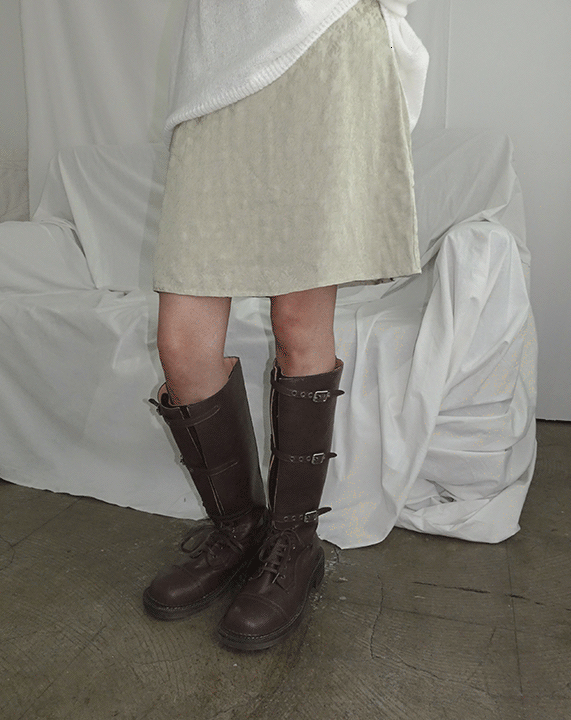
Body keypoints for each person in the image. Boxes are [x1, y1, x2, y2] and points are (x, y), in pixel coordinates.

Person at [143, 0, 428, 651]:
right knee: (182, 346)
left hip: (320, 39)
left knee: (298, 322)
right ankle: (238, 529)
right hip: (220, 59)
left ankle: (293, 543)